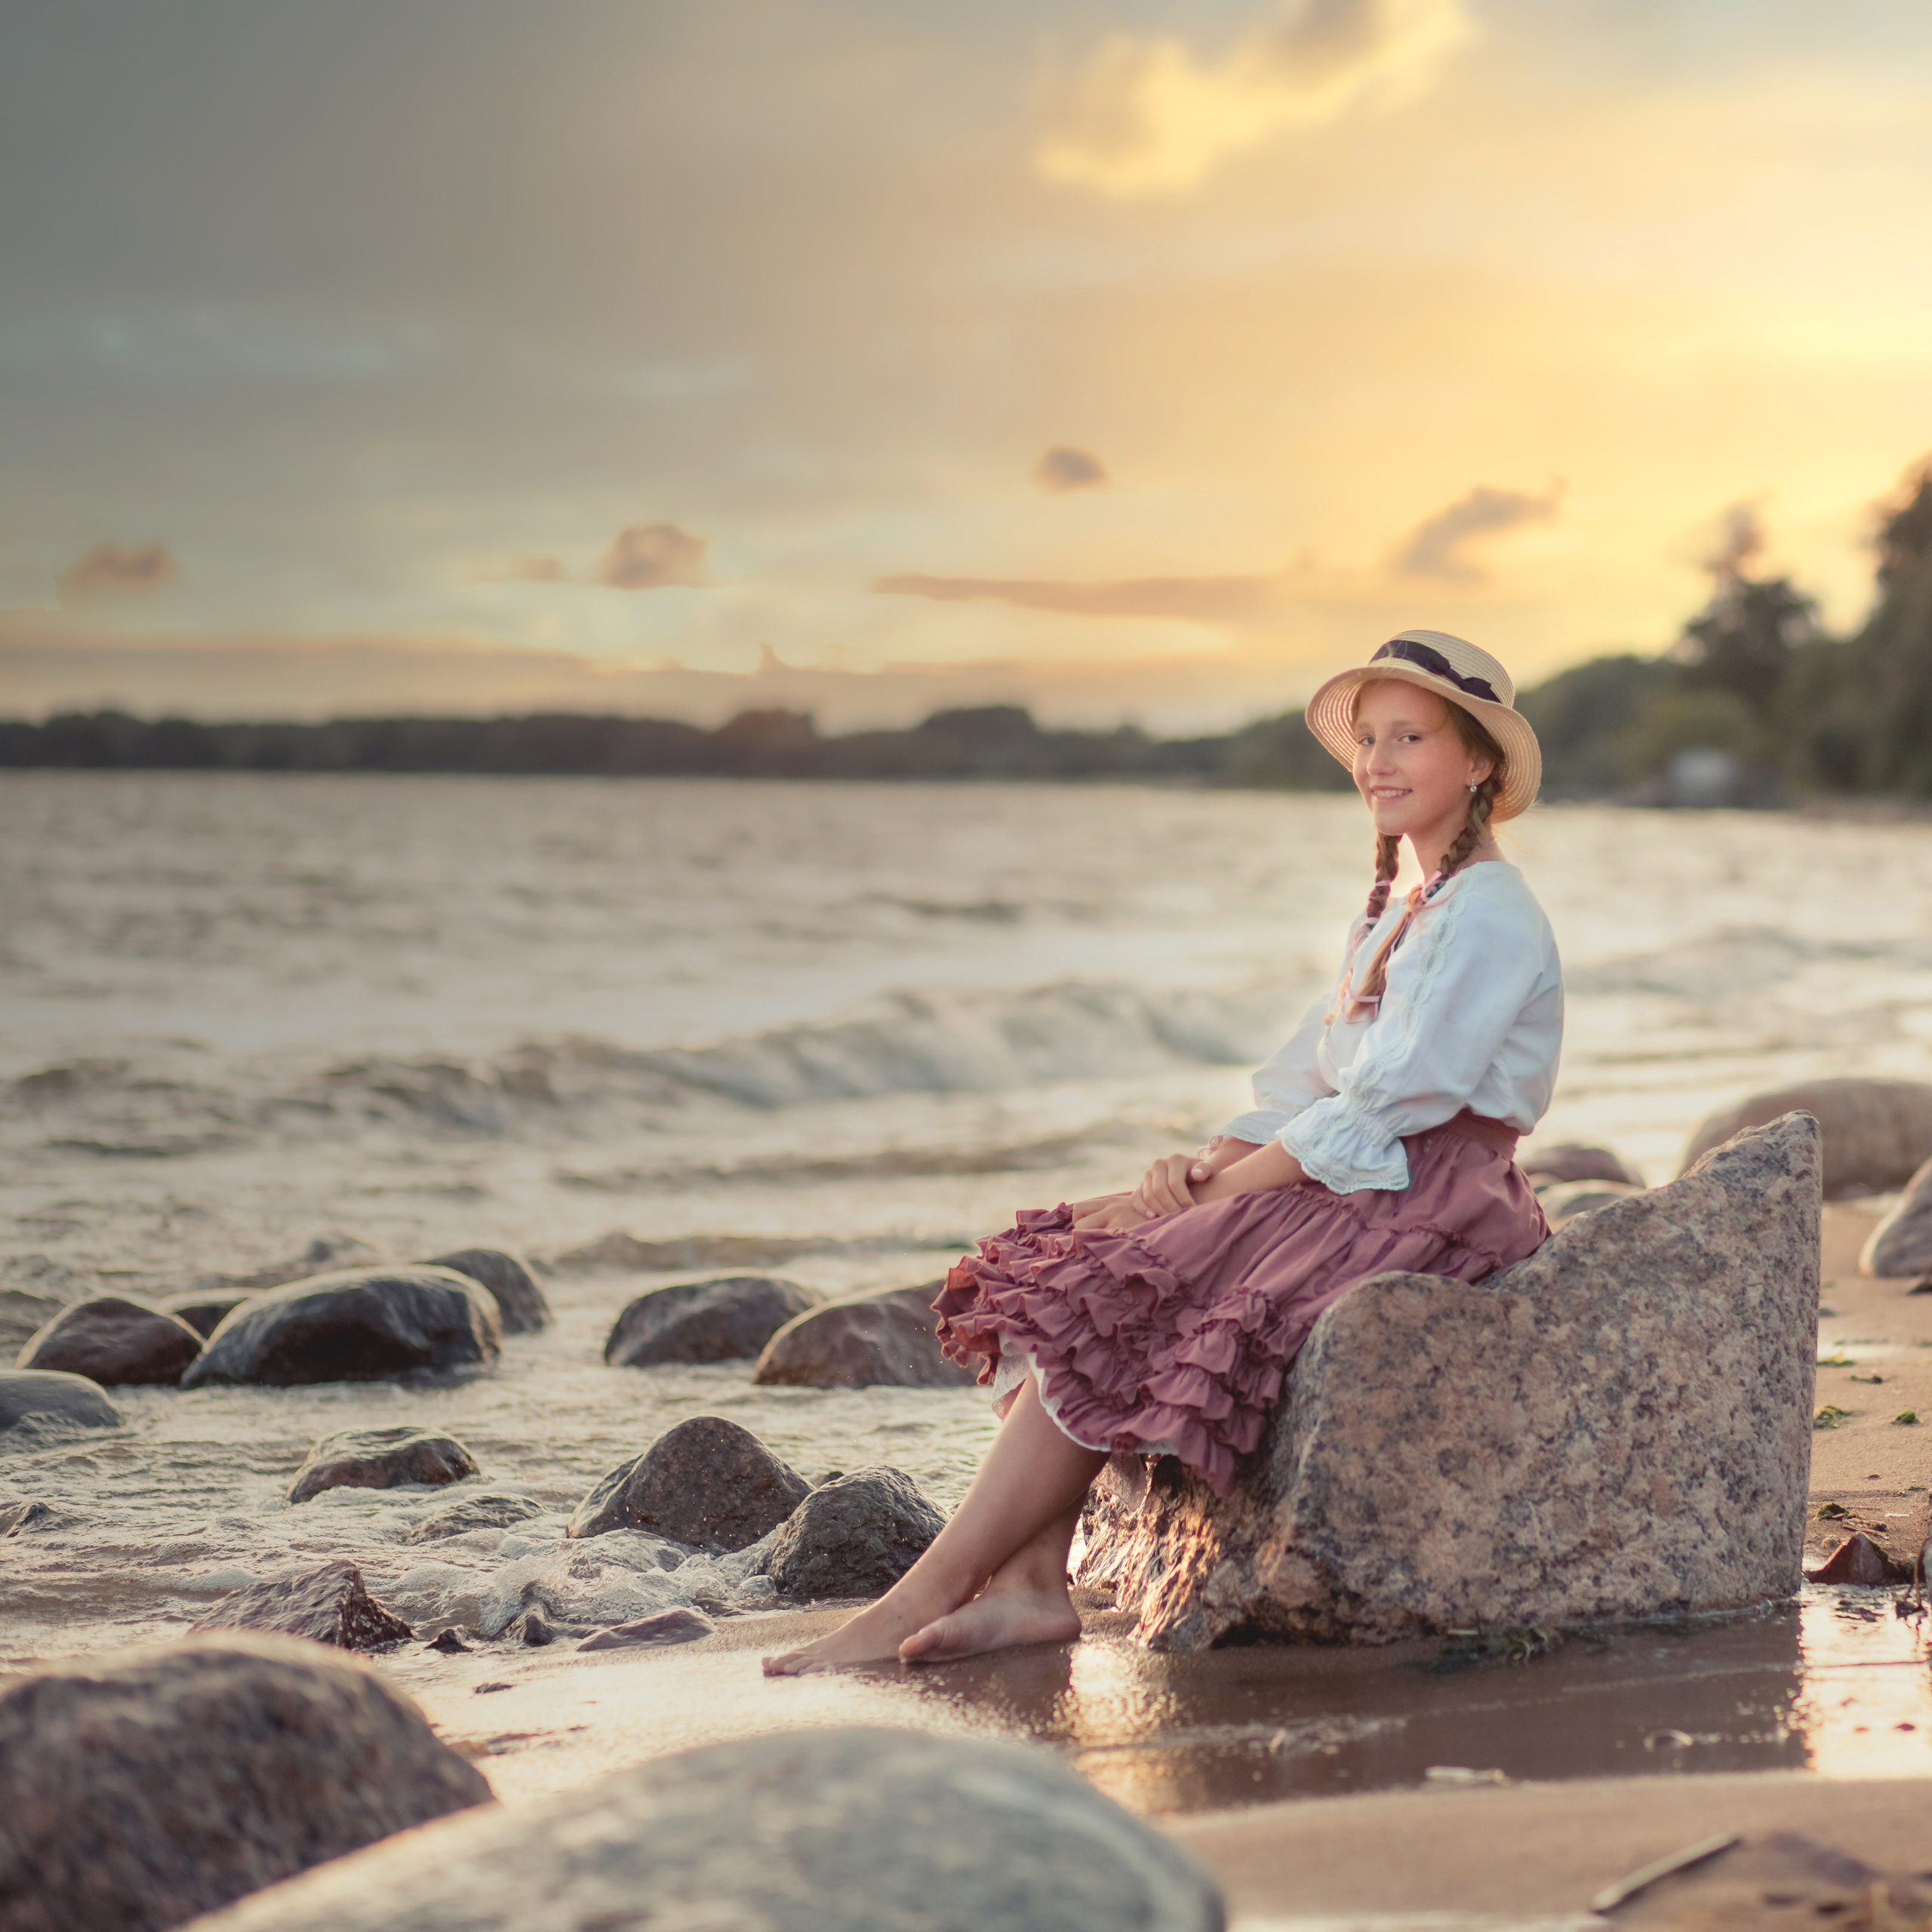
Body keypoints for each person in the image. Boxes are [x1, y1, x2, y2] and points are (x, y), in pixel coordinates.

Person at [762, 629, 1563, 1676]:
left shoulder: (1491, 913)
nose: (1377, 761)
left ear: (1481, 763)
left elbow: (1390, 1105)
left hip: (1418, 1191)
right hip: (1348, 1166)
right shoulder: (1412, 906)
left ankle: (924, 1590)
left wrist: (1216, 1198)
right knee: (1063, 1254)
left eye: (1409, 736)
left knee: (1122, 1286)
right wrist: (1190, 1171)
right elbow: (1307, 1079)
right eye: (1367, 739)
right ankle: (1028, 1587)